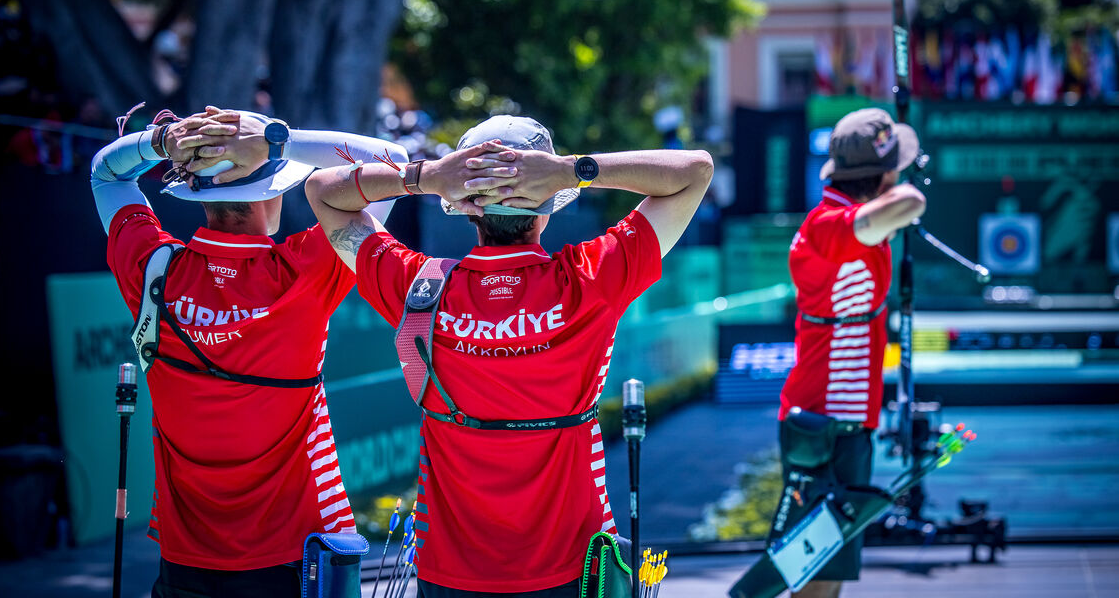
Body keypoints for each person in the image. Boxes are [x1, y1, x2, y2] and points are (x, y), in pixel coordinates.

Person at [304, 115, 713, 597]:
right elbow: (695, 169)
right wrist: (567, 170)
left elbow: (322, 192)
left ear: (464, 209)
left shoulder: (420, 286)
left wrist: (430, 176)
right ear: (547, 208)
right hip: (571, 562)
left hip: (449, 567)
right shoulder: (589, 278)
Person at [90, 106, 408, 598]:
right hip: (296, 555)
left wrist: (164, 141)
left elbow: (105, 171)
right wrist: (271, 141)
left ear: (195, 192)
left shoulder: (153, 267)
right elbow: (390, 158)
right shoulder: (308, 269)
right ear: (274, 191)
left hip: (184, 561)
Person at [774, 107, 926, 598]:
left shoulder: (842, 224)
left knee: (828, 574)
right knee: (814, 577)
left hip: (840, 422)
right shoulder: (829, 226)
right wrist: (896, 190)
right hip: (825, 424)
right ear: (880, 175)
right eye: (893, 165)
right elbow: (909, 201)